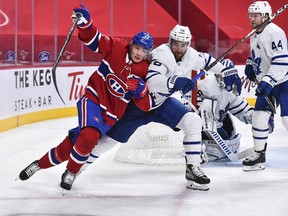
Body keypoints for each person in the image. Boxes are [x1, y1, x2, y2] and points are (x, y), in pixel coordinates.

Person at [75, 25, 243, 191]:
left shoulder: (191, 56)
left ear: (188, 44)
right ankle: (76, 169)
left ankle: (193, 169)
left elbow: (211, 61)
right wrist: (175, 82)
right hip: (140, 105)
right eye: (176, 43)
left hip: (161, 104)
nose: (179, 48)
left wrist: (230, 71)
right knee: (108, 141)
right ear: (170, 41)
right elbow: (153, 82)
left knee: (192, 121)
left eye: (183, 44)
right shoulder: (162, 55)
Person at [18, 4, 154, 191]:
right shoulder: (116, 47)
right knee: (89, 135)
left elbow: (146, 106)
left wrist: (141, 91)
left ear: (148, 54)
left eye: (143, 51)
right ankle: (72, 172)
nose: (139, 53)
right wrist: (86, 24)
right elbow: (94, 40)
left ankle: (39, 164)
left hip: (111, 116)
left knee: (71, 145)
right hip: (93, 98)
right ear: (131, 44)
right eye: (137, 47)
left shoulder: (146, 71)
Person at [242, 1, 288, 171]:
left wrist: (268, 80)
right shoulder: (255, 34)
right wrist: (250, 64)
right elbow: (258, 53)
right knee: (258, 117)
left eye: (255, 16)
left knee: (287, 119)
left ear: (266, 16)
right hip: (267, 83)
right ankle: (259, 155)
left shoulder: (275, 32)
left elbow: (282, 62)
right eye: (251, 16)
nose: (252, 19)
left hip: (283, 82)